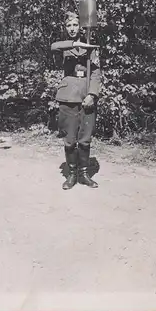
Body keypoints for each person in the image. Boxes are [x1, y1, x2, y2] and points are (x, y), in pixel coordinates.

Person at [51, 11, 100, 190]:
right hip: (68, 98)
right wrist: (74, 44)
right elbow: (52, 46)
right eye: (69, 25)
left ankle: (84, 175)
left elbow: (95, 73)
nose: (72, 28)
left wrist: (92, 94)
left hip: (86, 96)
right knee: (70, 140)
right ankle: (71, 175)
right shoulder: (64, 46)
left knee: (85, 139)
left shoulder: (90, 47)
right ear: (66, 28)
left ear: (80, 26)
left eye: (75, 25)